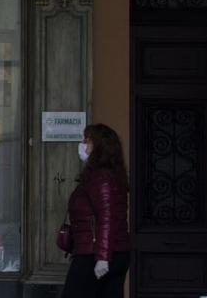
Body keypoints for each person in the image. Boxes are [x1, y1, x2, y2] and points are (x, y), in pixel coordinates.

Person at [62, 123, 131, 298]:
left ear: (99, 146)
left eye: (87, 141)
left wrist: (102, 258)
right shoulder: (105, 175)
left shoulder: (101, 178)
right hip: (106, 252)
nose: (82, 144)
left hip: (95, 254)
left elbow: (107, 218)